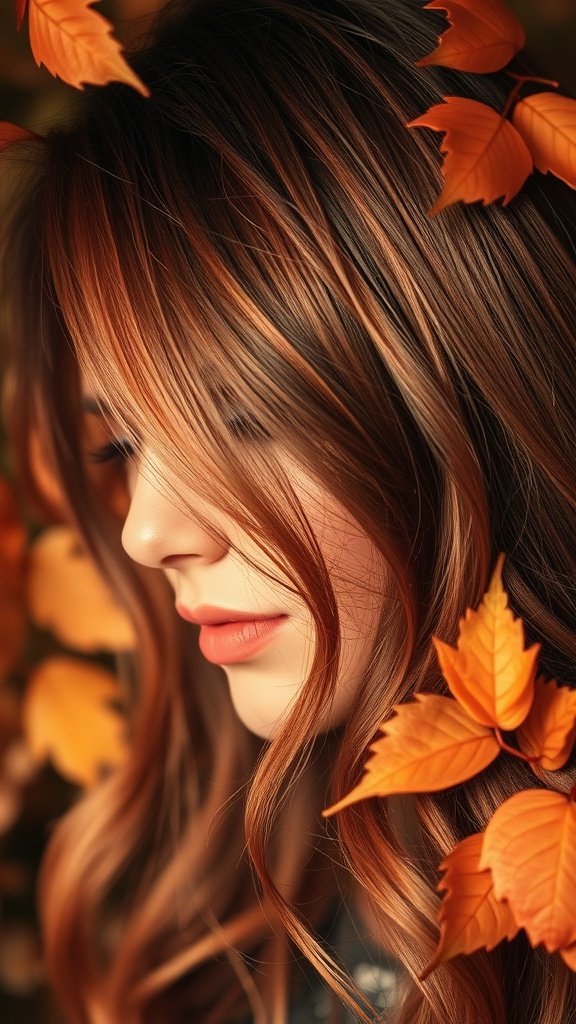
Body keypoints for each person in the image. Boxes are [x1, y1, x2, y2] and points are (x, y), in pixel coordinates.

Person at [2, 0, 576, 1021]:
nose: (147, 532)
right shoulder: (260, 895)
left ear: (463, 387)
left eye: (243, 419)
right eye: (122, 446)